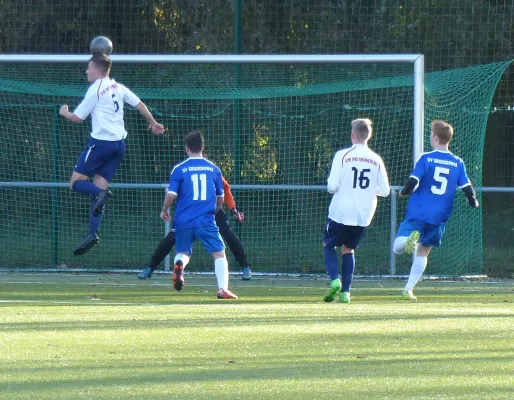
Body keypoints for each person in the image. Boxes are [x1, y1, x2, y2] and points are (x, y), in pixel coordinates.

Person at [59, 54, 165, 255]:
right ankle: (93, 233)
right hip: (119, 146)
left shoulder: (96, 89)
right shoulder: (118, 87)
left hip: (101, 144)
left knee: (74, 183)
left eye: (89, 67)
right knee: (97, 193)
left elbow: (78, 118)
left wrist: (64, 112)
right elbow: (140, 104)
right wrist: (152, 123)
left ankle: (100, 196)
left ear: (97, 70)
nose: (86, 71)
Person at [394, 120, 479, 300]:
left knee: (397, 248)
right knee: (423, 251)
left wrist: (403, 192)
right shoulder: (457, 162)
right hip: (439, 215)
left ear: (434, 138)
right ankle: (408, 289)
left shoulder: (426, 158)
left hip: (419, 211)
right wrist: (473, 202)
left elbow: (413, 181)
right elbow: (467, 188)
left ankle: (408, 240)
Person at [160, 130, 238, 299]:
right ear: (202, 147)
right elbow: (220, 198)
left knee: (183, 251)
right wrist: (213, 211)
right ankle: (222, 289)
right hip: (206, 220)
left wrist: (164, 210)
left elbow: (172, 194)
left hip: (183, 220)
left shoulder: (179, 169)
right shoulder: (214, 169)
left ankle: (179, 264)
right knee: (219, 253)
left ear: (187, 149)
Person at [323, 118, 390, 304]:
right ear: (369, 136)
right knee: (349, 250)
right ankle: (346, 293)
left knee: (328, 245)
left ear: (353, 134)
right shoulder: (376, 159)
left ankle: (335, 280)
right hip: (363, 214)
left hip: (340, 211)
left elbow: (332, 185)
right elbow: (385, 190)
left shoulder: (342, 155)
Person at [137, 175, 252, 280]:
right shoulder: (185, 172)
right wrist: (168, 209)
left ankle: (245, 267)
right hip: (190, 212)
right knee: (171, 239)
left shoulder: (212, 171)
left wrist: (233, 210)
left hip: (212, 211)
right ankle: (151, 267)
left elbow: (225, 190)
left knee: (228, 234)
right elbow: (174, 193)